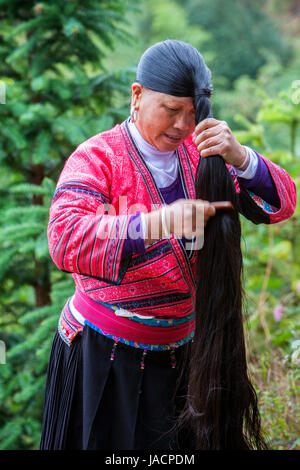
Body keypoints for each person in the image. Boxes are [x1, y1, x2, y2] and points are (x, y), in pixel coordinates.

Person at [40, 40, 297, 450]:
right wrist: (154, 224)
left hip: (188, 358)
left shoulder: (205, 157)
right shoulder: (97, 158)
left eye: (192, 114)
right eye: (172, 110)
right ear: (137, 96)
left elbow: (282, 204)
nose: (182, 125)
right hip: (104, 357)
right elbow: (65, 239)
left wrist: (242, 158)